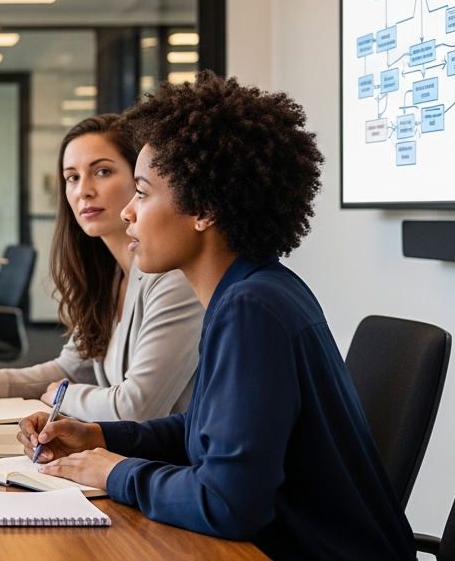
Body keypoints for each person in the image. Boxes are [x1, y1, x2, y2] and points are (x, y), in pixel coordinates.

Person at [22, 72, 415, 560]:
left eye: (142, 193)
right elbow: (205, 431)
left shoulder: (251, 309)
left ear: (203, 208)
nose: (128, 213)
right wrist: (99, 436)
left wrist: (112, 472)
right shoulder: (255, 289)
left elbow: (227, 502)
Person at [0, 114, 202, 422]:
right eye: (72, 177)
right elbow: (72, 367)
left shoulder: (173, 279)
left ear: (140, 179)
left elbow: (137, 408)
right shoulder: (109, 274)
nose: (83, 191)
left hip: (163, 465)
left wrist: (62, 394)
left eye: (102, 171)